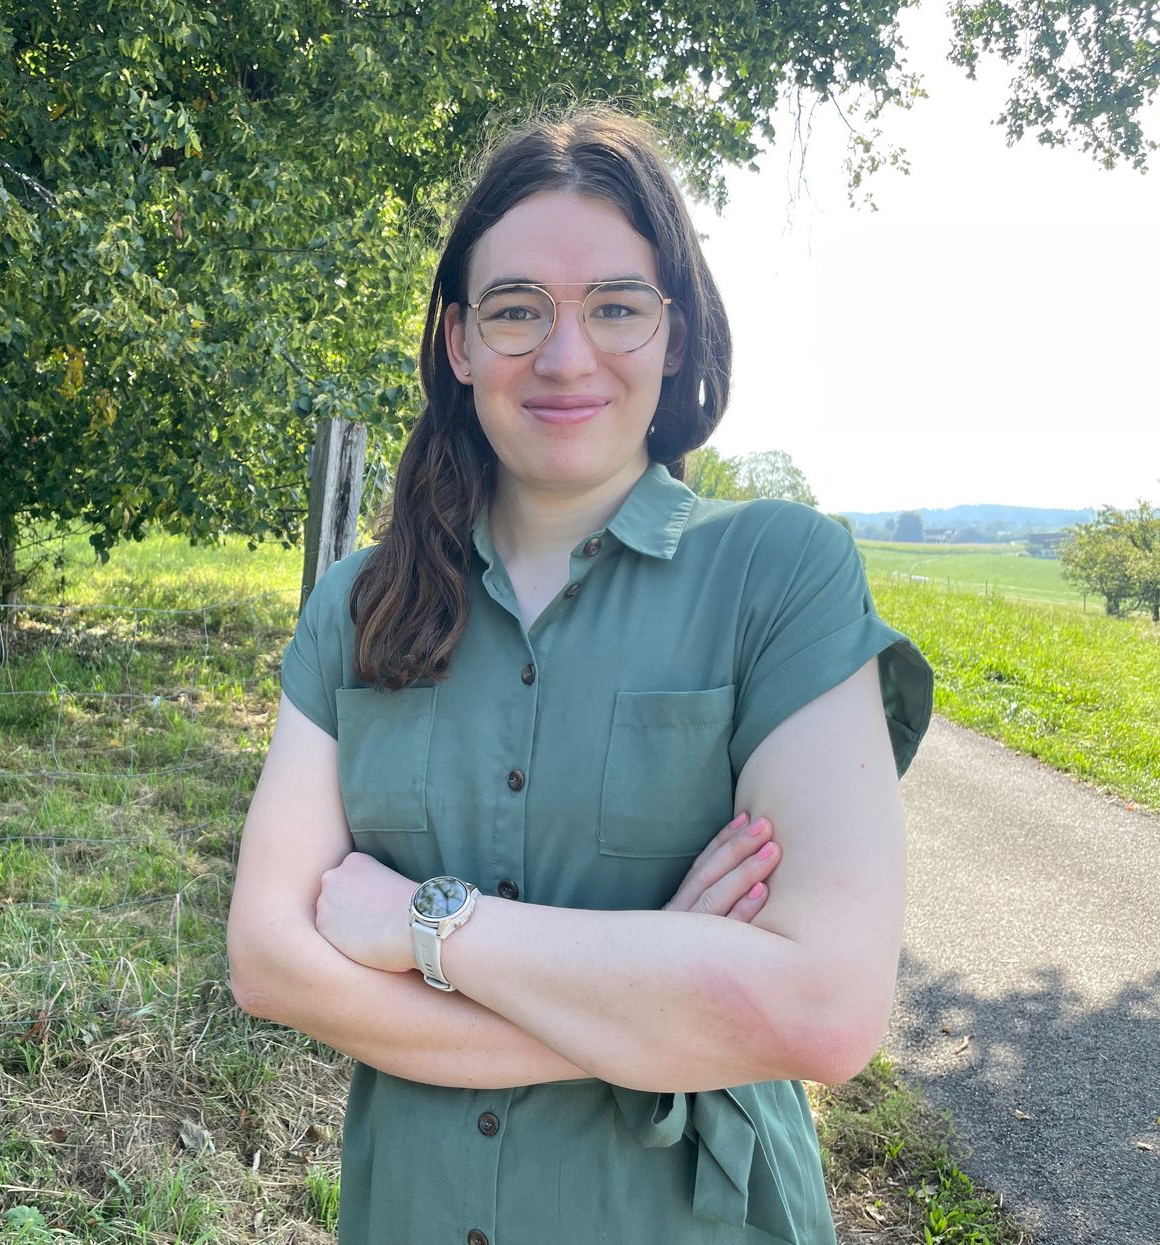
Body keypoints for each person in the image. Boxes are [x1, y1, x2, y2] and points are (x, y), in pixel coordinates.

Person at [226, 105, 933, 1245]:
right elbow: (270, 962)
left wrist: (422, 925)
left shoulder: (779, 576)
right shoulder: (356, 608)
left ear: (677, 332)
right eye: (516, 312)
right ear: (459, 343)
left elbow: (824, 1011)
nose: (565, 356)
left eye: (615, 306)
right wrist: (667, 997)